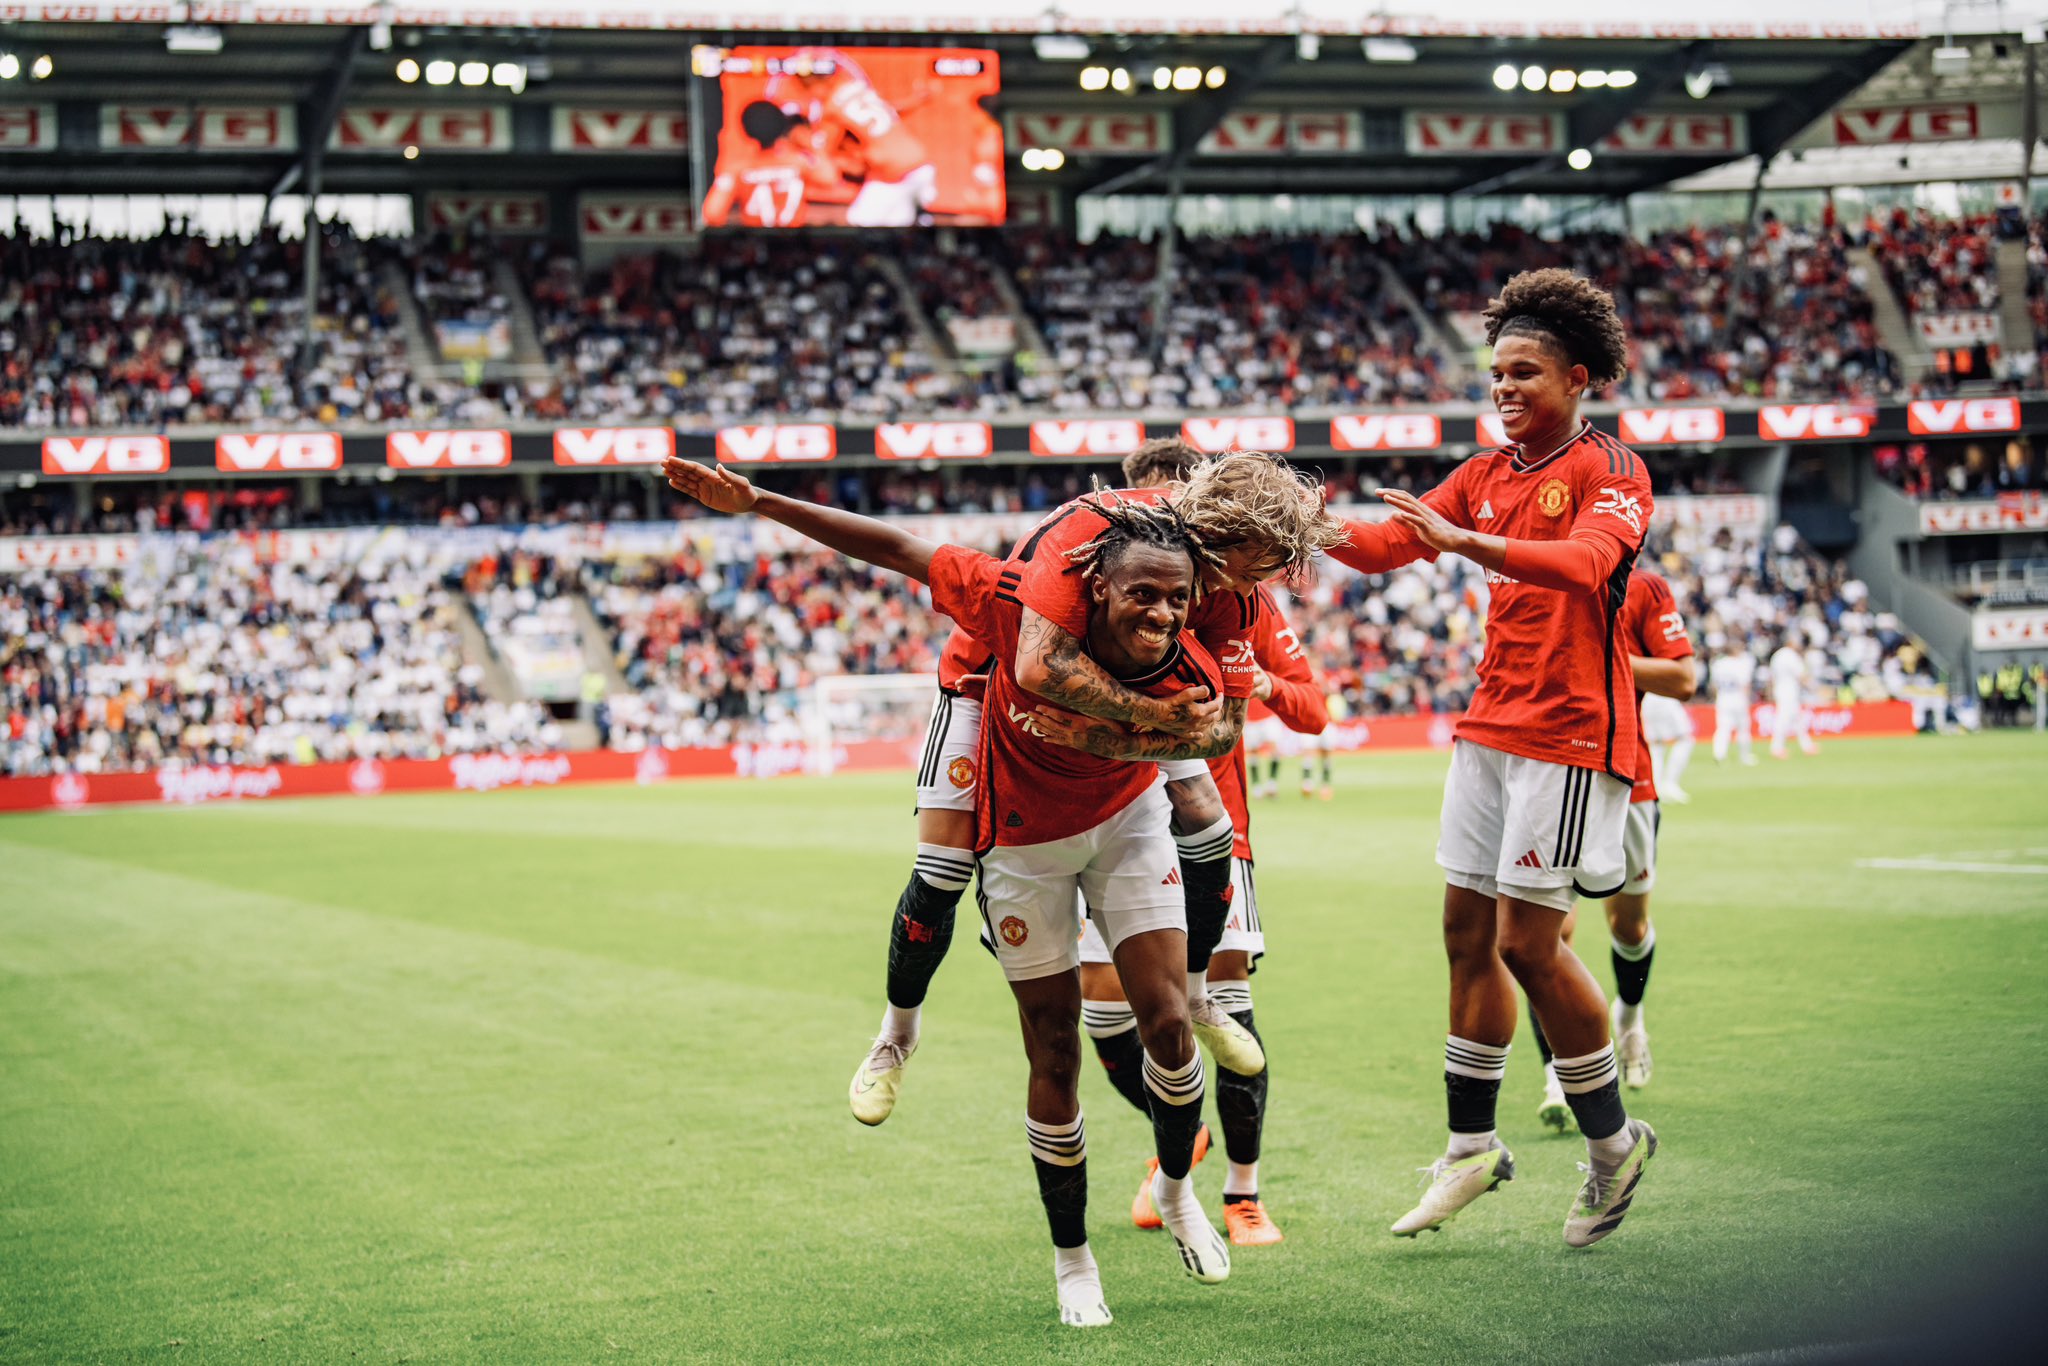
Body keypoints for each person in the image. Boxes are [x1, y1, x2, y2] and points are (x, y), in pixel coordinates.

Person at [663, 461, 1242, 1326]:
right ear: (1093, 589)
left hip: (1125, 827)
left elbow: (1217, 714)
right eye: (1141, 596)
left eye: (1176, 598)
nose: (1161, 615)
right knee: (1051, 1052)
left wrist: (1177, 723)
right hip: (1021, 840)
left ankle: (1177, 1183)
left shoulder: (1190, 665)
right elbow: (894, 545)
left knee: (1164, 1020)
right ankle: (1071, 1258)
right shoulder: (1010, 603)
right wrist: (761, 503)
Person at [832, 444, 1343, 1126]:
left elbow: (1221, 731)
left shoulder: (1231, 597)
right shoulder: (1097, 534)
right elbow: (1038, 664)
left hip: (1121, 695)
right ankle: (896, 1036)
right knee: (942, 866)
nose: (1250, 591)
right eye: (1247, 572)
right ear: (1215, 538)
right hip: (989, 677)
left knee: (1208, 816)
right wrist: (1154, 719)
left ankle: (1196, 995)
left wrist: (1127, 732)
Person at [1326, 267, 1659, 1248]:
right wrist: (1289, 523)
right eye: (1496, 374)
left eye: (1525, 373)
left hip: (1569, 731)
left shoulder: (1613, 470)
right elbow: (1390, 541)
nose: (1504, 388)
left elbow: (1586, 565)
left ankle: (1611, 1146)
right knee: (1464, 935)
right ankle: (1470, 1146)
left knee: (1527, 943)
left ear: (1580, 378)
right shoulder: (1482, 469)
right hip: (1489, 726)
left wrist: (1462, 541)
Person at [1078, 579, 1325, 1248]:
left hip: (1216, 833)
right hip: (1114, 831)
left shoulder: (1245, 604)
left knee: (1226, 1009)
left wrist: (1263, 686)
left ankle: (1243, 1194)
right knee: (1104, 1020)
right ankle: (1186, 1135)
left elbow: (1315, 710)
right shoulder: (1100, 592)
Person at [1534, 567, 1696, 1130]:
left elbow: (1683, 679)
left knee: (1628, 928)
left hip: (1627, 777)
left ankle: (1630, 1021)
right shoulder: (1527, 576)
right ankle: (1557, 1072)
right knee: (1545, 932)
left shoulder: (1643, 587)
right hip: (1544, 774)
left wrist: (1599, 662)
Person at [764, 47, 937, 227]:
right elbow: (887, 112)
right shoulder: (855, 87)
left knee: (859, 221)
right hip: (922, 165)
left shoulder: (832, 107)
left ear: (815, 84)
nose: (809, 96)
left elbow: (822, 151)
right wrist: (916, 100)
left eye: (805, 88)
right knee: (897, 227)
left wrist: (797, 136)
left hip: (897, 177)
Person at [701, 101, 841, 228]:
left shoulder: (738, 169)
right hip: (795, 242)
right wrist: (812, 145)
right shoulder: (797, 163)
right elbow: (831, 178)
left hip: (755, 242)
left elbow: (712, 213)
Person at [1769, 636, 1819, 758]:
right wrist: (1813, 687)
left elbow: (1772, 677)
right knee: (1784, 719)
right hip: (1789, 691)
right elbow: (1801, 674)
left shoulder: (1777, 655)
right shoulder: (1790, 655)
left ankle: (1807, 745)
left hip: (1781, 690)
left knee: (1797, 719)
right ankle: (1777, 747)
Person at [1710, 644, 1759, 765]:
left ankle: (1719, 754)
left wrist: (1717, 698)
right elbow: (1744, 684)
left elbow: (1714, 685)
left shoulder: (1718, 664)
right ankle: (1745, 756)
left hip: (1723, 699)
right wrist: (1747, 700)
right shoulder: (1740, 664)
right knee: (1743, 729)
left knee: (1722, 728)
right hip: (1738, 698)